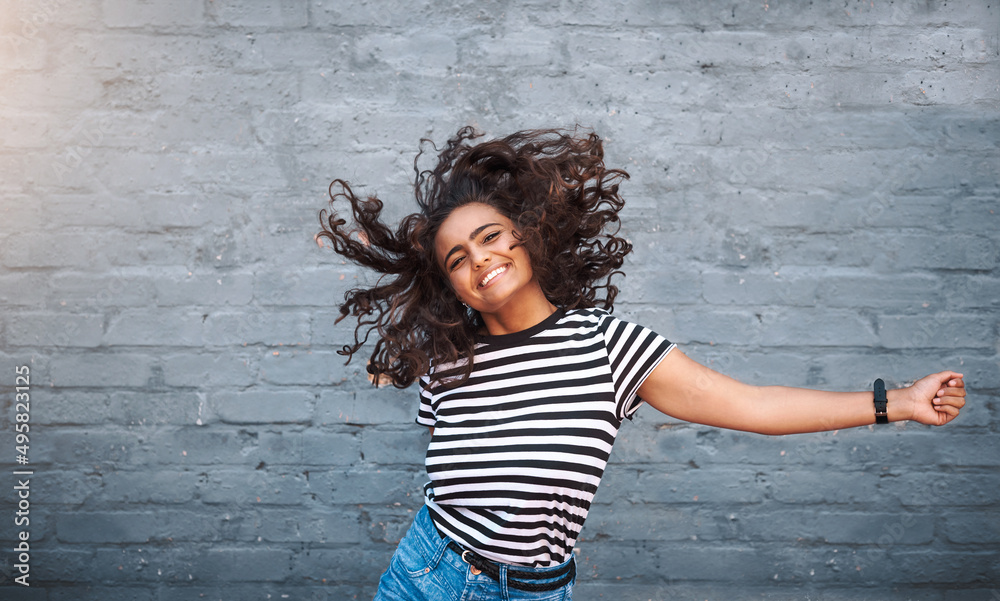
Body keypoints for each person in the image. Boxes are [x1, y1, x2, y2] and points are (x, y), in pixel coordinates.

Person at [317, 126, 967, 601]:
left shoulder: (611, 348)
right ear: (451, 283)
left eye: (489, 236)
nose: (479, 259)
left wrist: (897, 402)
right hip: (426, 574)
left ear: (525, 232)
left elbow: (754, 405)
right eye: (456, 257)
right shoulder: (448, 360)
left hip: (536, 592)